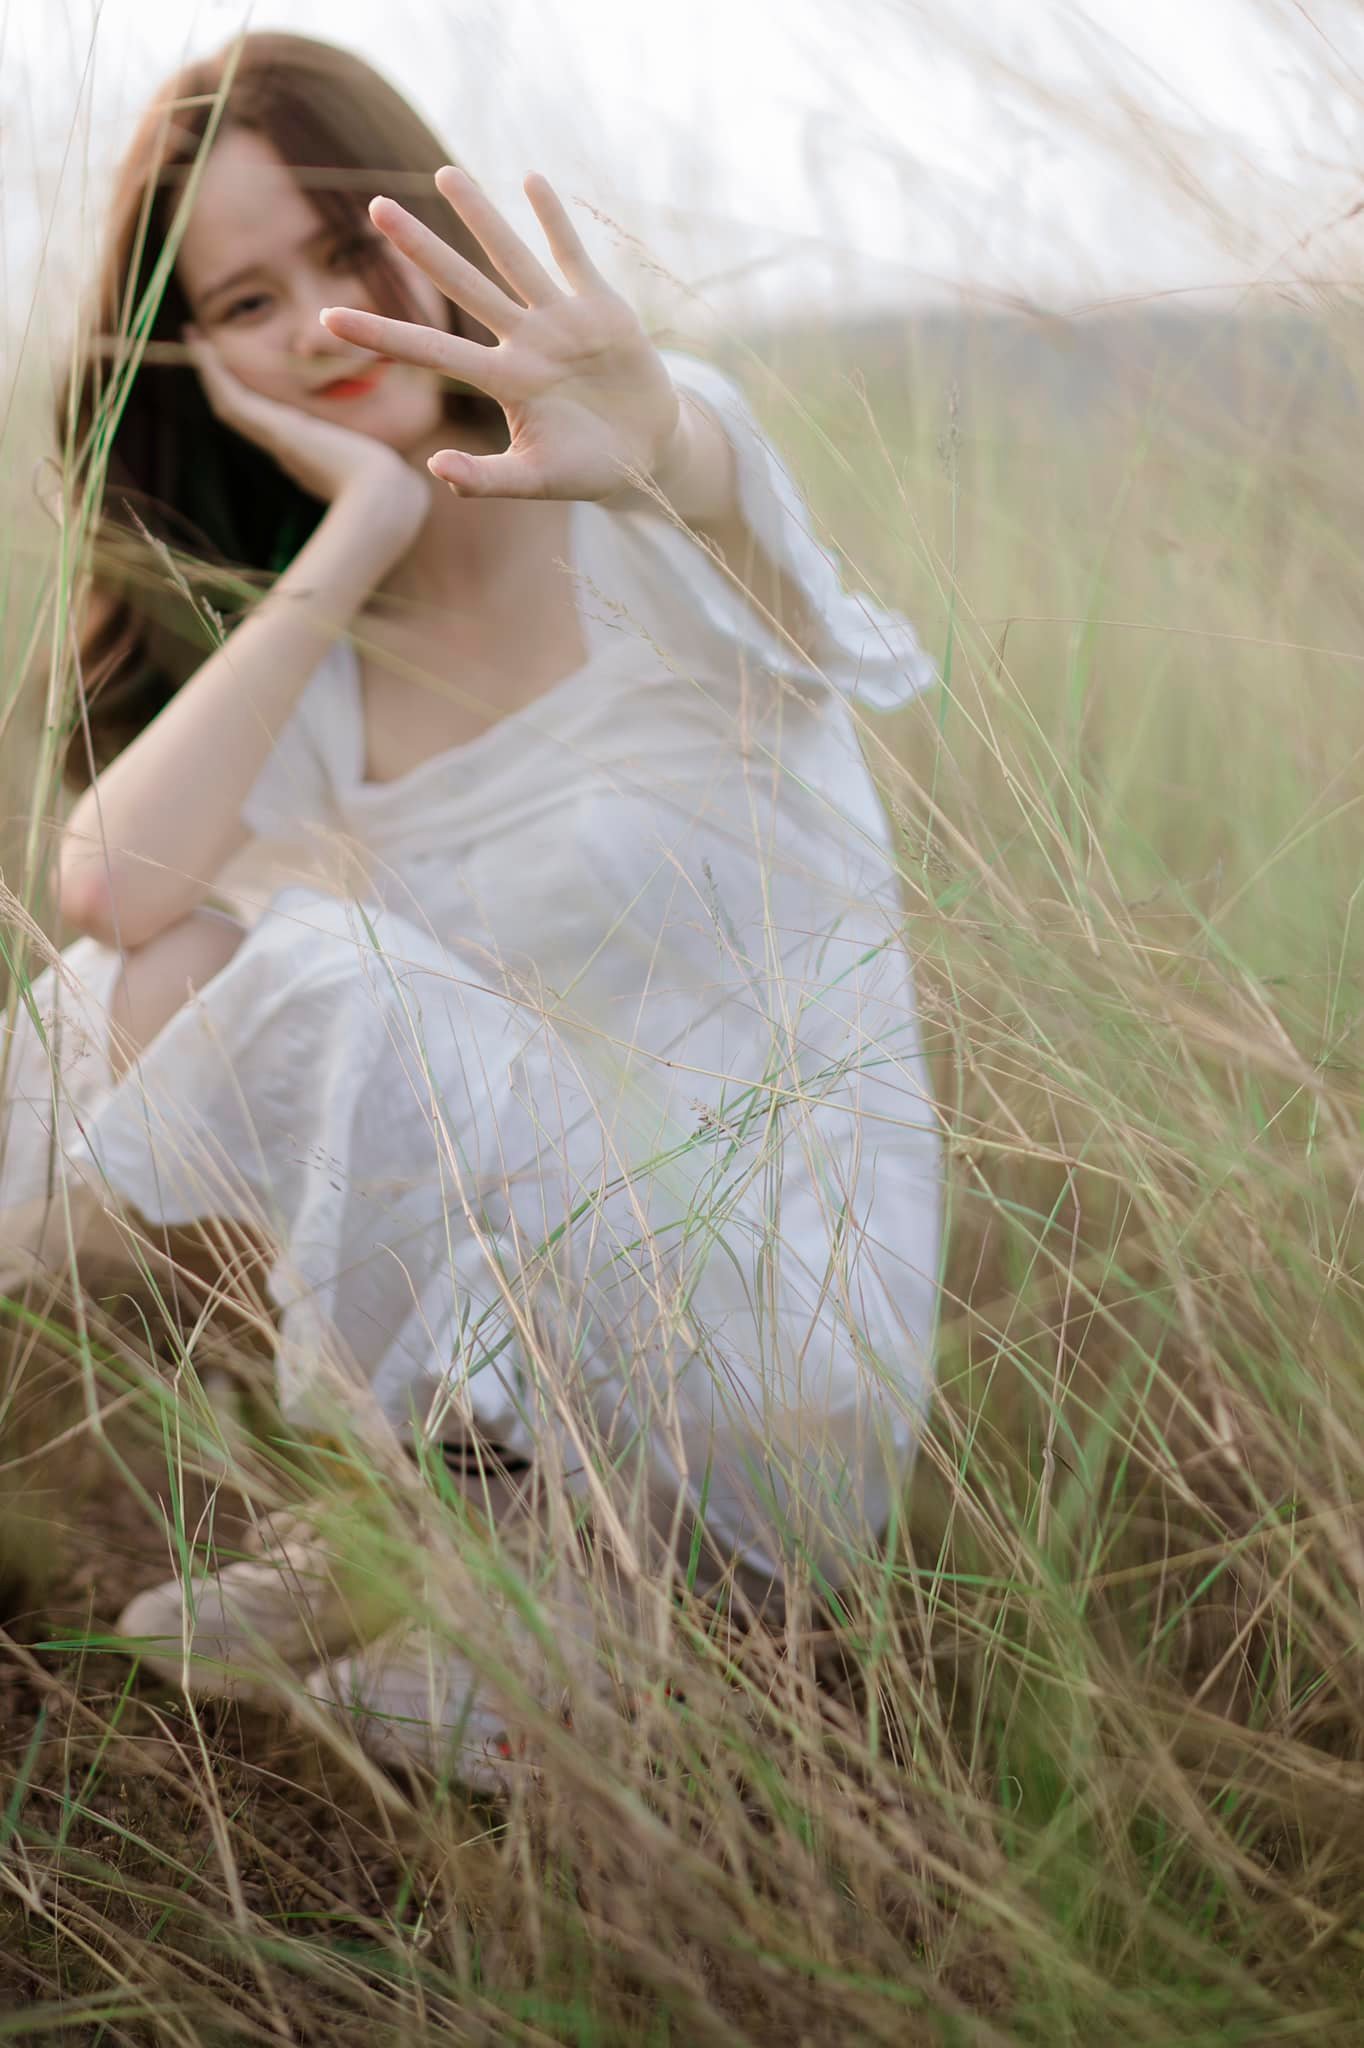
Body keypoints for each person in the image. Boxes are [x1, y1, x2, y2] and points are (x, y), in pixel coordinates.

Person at [0, 32, 943, 1784]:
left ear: (424, 232)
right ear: (196, 359)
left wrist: (658, 435)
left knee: (328, 974)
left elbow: (725, 504)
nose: (322, 326)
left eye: (347, 253)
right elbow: (114, 896)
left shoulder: (646, 477)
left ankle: (560, 1603)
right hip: (544, 1344)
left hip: (769, 1348)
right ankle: (440, 1541)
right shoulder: (328, 658)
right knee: (158, 980)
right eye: (249, 303)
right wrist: (359, 528)